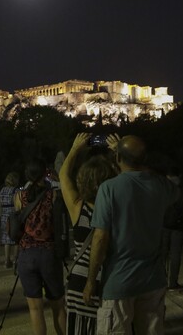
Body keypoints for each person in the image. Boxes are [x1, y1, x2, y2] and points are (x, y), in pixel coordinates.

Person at [83, 135, 182, 334]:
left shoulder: (108, 189)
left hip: (119, 282)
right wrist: (137, 162)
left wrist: (91, 280)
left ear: (117, 157)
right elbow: (172, 189)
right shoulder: (160, 186)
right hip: (153, 281)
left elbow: (100, 238)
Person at [59, 133, 118, 335]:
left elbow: (63, 176)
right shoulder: (118, 210)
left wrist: (75, 149)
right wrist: (119, 153)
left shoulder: (78, 208)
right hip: (111, 283)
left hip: (80, 284)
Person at [14, 158, 66, 335]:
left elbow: (17, 227)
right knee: (58, 306)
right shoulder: (54, 195)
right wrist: (57, 176)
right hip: (48, 253)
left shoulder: (19, 197)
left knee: (35, 310)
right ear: (46, 173)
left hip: (26, 254)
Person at [0, 172, 20, 269]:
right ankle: (16, 259)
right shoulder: (16, 191)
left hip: (4, 215)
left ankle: (7, 260)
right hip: (13, 215)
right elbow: (18, 205)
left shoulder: (2, 190)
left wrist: (1, 215)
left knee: (6, 239)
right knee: (16, 238)